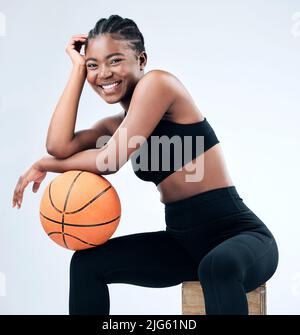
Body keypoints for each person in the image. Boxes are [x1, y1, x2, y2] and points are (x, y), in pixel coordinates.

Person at [12, 15, 279, 315]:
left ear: (141, 59)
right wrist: (76, 70)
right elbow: (58, 145)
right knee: (88, 264)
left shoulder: (158, 84)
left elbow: (109, 160)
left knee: (216, 267)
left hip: (240, 237)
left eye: (114, 61)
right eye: (93, 65)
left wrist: (45, 164)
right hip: (184, 244)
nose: (103, 73)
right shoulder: (116, 126)